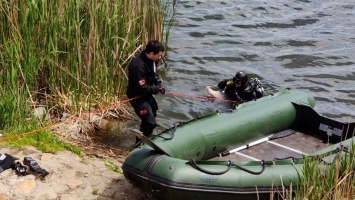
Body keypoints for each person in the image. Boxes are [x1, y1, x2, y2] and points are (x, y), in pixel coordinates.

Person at [126, 40, 166, 147]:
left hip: (146, 94)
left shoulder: (152, 60)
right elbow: (142, 88)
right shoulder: (138, 66)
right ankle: (138, 145)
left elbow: (153, 73)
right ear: (152, 53)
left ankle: (144, 140)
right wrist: (156, 89)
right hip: (137, 96)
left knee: (153, 115)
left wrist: (158, 83)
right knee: (149, 122)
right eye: (158, 55)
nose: (160, 58)